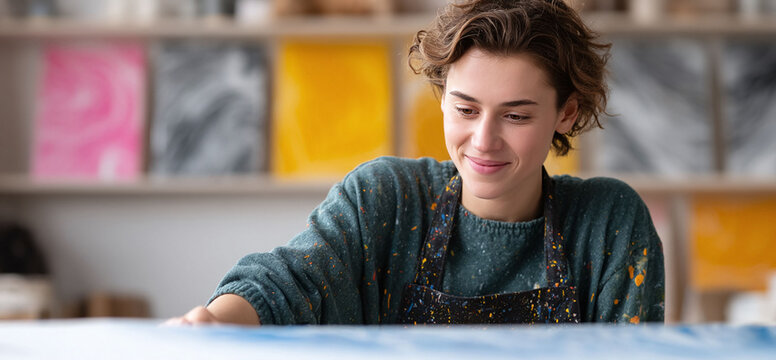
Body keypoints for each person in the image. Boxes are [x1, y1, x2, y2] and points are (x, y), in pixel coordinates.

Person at [168, 0, 664, 326]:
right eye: (466, 109)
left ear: (566, 112)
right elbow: (291, 282)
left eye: (515, 115)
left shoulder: (609, 223)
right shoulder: (385, 198)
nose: (483, 140)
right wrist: (213, 324)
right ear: (442, 98)